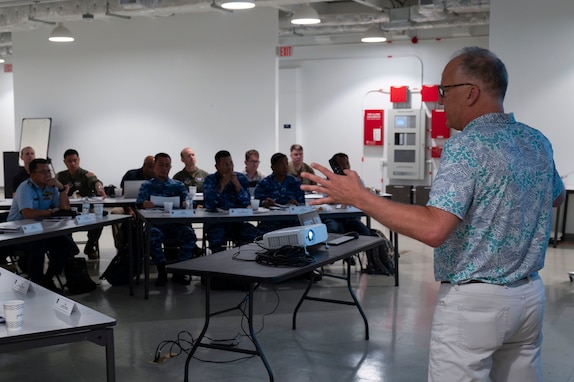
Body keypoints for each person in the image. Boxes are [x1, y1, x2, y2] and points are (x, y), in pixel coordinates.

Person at [300, 47, 566, 382]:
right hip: (529, 297)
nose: (441, 101)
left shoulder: (466, 146)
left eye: (445, 90)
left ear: (471, 93)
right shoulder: (535, 140)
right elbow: (555, 198)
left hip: (475, 304)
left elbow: (434, 229)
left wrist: (361, 198)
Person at [8, 158, 75, 292]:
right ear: (32, 175)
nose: (48, 175)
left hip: (41, 230)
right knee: (38, 245)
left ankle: (47, 279)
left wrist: (61, 188)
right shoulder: (25, 187)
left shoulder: (51, 187)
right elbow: (27, 213)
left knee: (66, 245)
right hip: (18, 233)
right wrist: (50, 212)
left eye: (48, 171)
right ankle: (36, 282)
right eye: (43, 172)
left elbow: (64, 209)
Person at [136, 152, 198, 286]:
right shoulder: (147, 185)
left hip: (176, 223)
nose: (164, 168)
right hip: (156, 224)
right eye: (161, 165)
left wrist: (185, 203)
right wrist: (144, 204)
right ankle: (161, 270)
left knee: (189, 234)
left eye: (167, 166)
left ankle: (180, 270)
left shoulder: (178, 185)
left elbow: (188, 201)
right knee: (152, 235)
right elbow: (139, 203)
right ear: (154, 167)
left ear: (170, 167)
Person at [203, 150, 259, 253]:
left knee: (252, 233)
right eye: (225, 164)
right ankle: (219, 264)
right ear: (217, 166)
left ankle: (242, 260)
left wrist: (237, 184)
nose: (229, 167)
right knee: (216, 236)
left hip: (237, 221)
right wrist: (222, 184)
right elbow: (209, 204)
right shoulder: (210, 180)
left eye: (231, 163)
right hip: (217, 222)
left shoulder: (241, 178)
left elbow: (246, 202)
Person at [56, 149, 106, 260]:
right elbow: (54, 189)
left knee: (100, 218)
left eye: (75, 160)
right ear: (65, 162)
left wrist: (99, 188)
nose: (73, 163)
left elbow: (96, 181)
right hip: (68, 208)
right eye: (70, 161)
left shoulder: (86, 174)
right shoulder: (60, 176)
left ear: (79, 160)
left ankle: (90, 247)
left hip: (86, 207)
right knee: (61, 221)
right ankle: (71, 246)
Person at [111, 155, 155, 249]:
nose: (153, 170)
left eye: (154, 167)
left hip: (150, 208)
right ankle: (121, 246)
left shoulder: (157, 178)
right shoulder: (131, 175)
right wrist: (128, 210)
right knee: (115, 213)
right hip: (129, 206)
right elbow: (123, 195)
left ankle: (148, 245)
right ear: (144, 165)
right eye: (150, 167)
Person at [253, 152, 304, 234]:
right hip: (271, 220)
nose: (285, 167)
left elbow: (302, 204)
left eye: (286, 163)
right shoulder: (263, 183)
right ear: (273, 167)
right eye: (281, 164)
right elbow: (257, 203)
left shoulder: (294, 182)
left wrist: (296, 203)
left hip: (291, 220)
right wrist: (264, 203)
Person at [322, 153, 370, 237]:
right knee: (334, 230)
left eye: (347, 163)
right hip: (334, 217)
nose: (345, 166)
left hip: (351, 217)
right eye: (341, 164)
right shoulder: (328, 182)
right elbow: (329, 201)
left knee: (365, 232)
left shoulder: (356, 180)